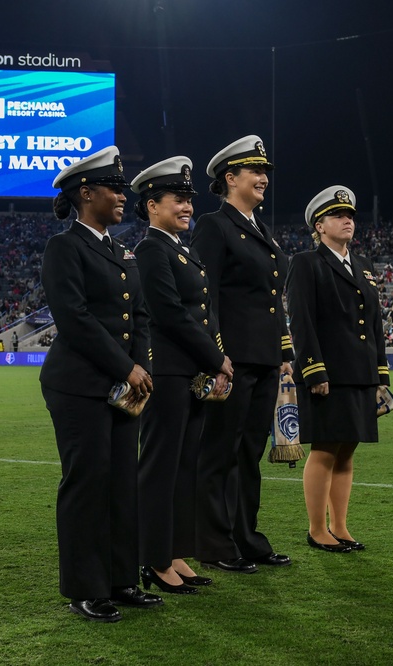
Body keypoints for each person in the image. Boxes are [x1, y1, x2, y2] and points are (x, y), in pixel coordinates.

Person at [39, 146, 161, 623]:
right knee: (87, 484)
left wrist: (141, 368)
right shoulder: (64, 247)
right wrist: (126, 368)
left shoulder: (120, 250)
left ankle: (120, 580)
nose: (122, 196)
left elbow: (141, 317)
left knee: (121, 485)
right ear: (84, 193)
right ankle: (85, 588)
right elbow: (74, 319)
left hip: (121, 386)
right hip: (79, 385)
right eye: (114, 188)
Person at [190, 135, 294, 574]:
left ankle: (247, 538)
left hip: (264, 358)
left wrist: (284, 351)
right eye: (256, 171)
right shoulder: (215, 226)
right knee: (220, 452)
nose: (264, 178)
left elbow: (273, 299)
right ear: (230, 178)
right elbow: (203, 295)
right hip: (232, 359)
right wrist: (216, 355)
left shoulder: (258, 228)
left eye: (265, 171)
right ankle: (214, 544)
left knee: (248, 452)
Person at [131, 156, 234, 594]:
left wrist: (215, 358)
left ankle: (174, 553)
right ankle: (153, 561)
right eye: (178, 199)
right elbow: (170, 315)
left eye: (190, 199)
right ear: (152, 205)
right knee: (160, 468)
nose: (188, 206)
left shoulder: (179, 249)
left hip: (190, 373)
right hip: (169, 373)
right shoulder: (152, 249)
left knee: (183, 467)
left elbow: (203, 314)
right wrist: (217, 358)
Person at [285, 186, 390, 553]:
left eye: (350, 216)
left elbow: (374, 324)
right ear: (319, 225)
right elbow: (301, 321)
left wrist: (382, 377)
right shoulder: (306, 263)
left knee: (347, 451)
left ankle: (340, 527)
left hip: (361, 373)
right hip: (328, 374)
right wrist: (314, 371)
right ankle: (317, 530)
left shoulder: (363, 266)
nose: (348, 220)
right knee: (326, 449)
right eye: (338, 216)